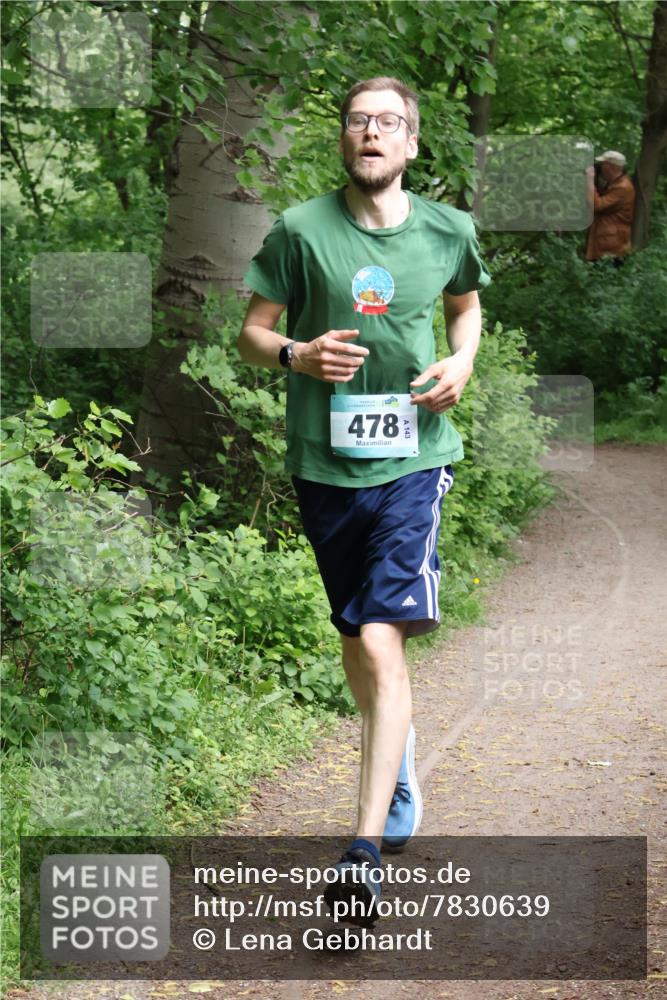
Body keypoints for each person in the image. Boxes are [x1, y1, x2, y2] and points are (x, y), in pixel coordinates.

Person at [237, 76, 491, 925]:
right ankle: (398, 756)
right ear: (343, 139)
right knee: (356, 635)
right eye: (356, 121)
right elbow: (251, 332)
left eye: (387, 122)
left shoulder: (447, 229)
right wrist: (296, 355)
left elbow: (465, 309)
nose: (370, 132)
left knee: (381, 635)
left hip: (416, 461)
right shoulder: (300, 230)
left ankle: (361, 851)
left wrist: (461, 362)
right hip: (324, 463)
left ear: (411, 142)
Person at [585, 150, 635, 265]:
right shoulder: (615, 184)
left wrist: (589, 180)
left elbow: (596, 205)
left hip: (611, 246)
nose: (600, 168)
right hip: (607, 242)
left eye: (603, 164)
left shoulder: (622, 187)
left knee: (604, 274)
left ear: (610, 167)